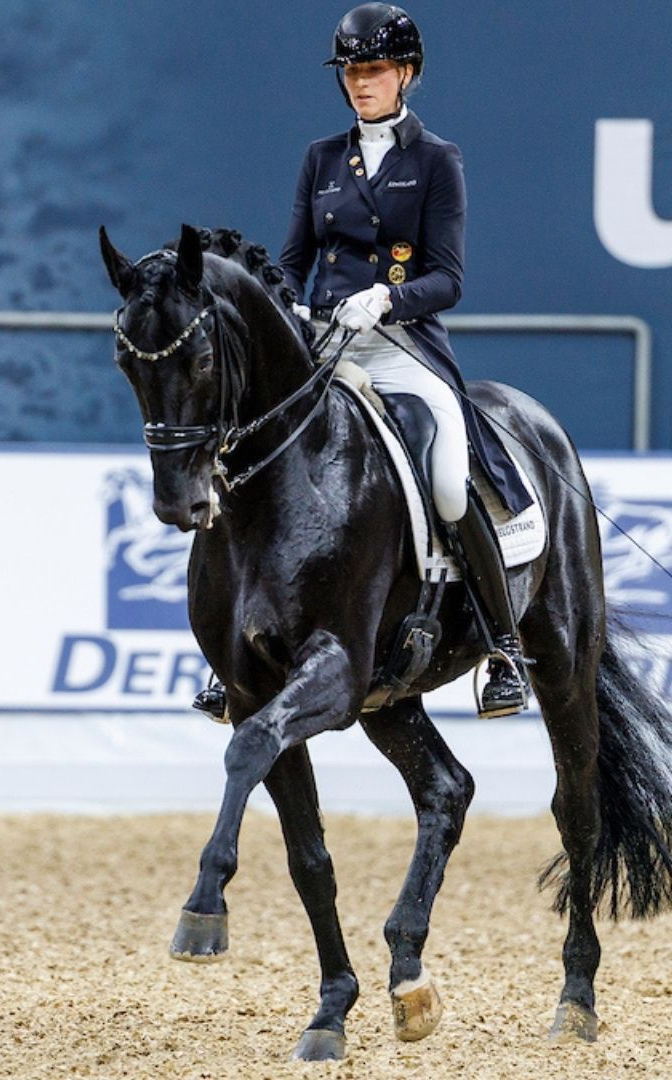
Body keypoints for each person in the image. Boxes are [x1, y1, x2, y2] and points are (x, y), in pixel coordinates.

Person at [192, 2, 532, 722]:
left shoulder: (436, 160)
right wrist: (290, 308)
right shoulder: (321, 158)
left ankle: (503, 647)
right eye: (350, 70)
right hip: (322, 341)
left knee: (448, 479)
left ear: (406, 73)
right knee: (247, 456)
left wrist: (386, 299)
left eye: (373, 68)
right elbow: (292, 260)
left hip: (400, 344)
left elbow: (449, 279)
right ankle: (233, 653)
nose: (359, 82)